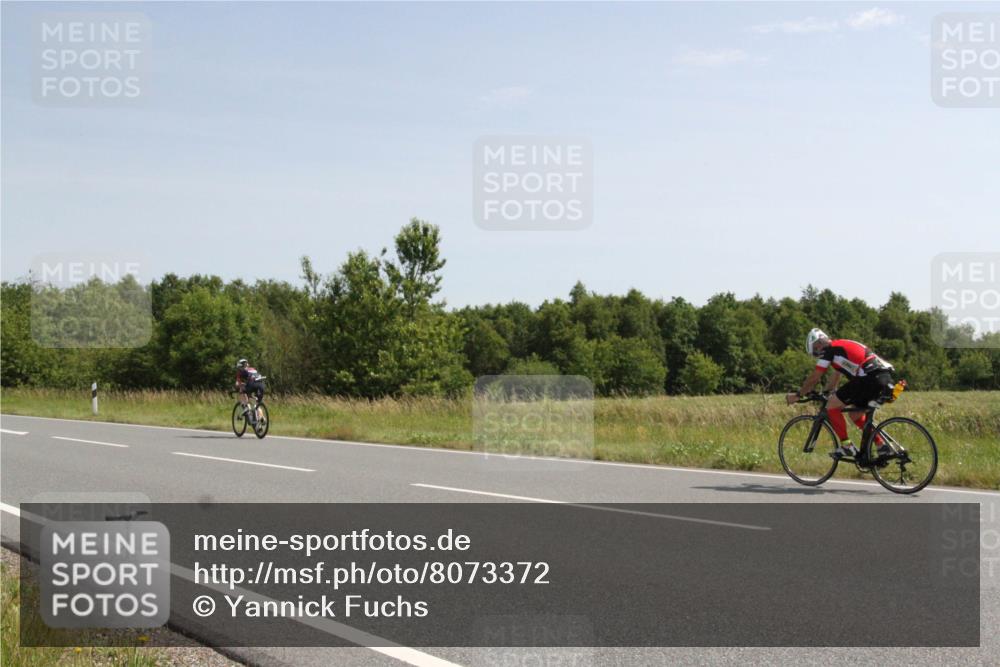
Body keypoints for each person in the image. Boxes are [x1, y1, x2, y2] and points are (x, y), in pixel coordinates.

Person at [786, 329, 893, 460]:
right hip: (882, 377)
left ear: (820, 342)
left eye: (815, 349)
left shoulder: (830, 350)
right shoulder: (839, 348)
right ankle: (882, 446)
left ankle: (847, 446)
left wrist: (798, 394)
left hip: (868, 378)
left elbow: (815, 376)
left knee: (831, 406)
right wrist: (826, 392)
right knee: (855, 414)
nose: (817, 352)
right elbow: (836, 375)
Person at [235, 358, 265, 423]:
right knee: (257, 404)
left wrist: (239, 387)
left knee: (242, 391)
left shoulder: (240, 372)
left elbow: (237, 384)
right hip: (261, 384)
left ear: (240, 367)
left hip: (252, 384)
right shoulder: (253, 369)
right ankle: (261, 419)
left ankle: (245, 407)